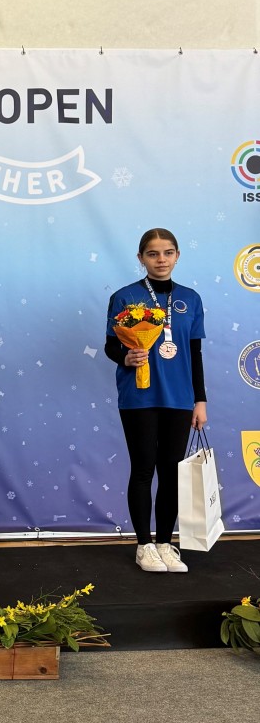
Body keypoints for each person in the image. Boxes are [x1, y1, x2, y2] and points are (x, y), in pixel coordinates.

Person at [105, 228, 206, 573]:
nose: (161, 260)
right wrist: (125, 357)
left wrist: (200, 400)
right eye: (153, 253)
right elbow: (110, 344)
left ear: (177, 256)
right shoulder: (125, 297)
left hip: (180, 397)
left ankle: (165, 542)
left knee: (172, 471)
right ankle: (144, 546)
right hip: (140, 395)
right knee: (144, 468)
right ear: (141, 258)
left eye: (167, 253)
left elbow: (195, 353)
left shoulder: (191, 299)